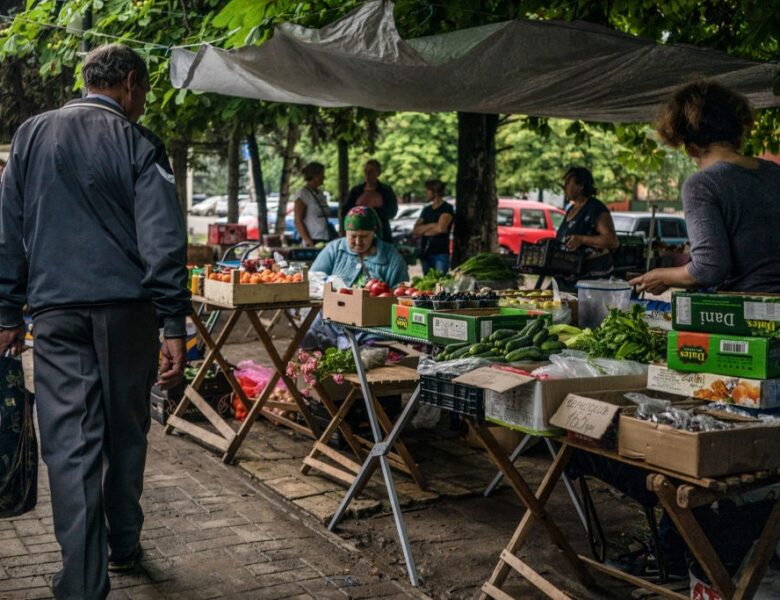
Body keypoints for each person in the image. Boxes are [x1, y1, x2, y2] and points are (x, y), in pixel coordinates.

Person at [0, 44, 189, 599]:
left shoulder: (30, 135)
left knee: (71, 445)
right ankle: (124, 544)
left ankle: (82, 584)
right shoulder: (140, 143)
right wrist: (173, 321)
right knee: (126, 434)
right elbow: (162, 241)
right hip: (128, 315)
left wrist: (8, 310)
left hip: (55, 315)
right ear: (130, 83)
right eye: (145, 92)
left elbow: (8, 230)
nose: (144, 103)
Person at [630, 80, 780, 295]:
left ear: (690, 147)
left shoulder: (702, 185)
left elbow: (708, 269)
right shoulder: (774, 172)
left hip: (752, 315)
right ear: (738, 135)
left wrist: (662, 274)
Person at [305, 207, 408, 349]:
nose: (358, 242)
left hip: (372, 325)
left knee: (374, 347)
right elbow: (313, 280)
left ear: (374, 233)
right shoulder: (334, 249)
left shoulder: (391, 256)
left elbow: (401, 294)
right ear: (345, 233)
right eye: (353, 236)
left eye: (364, 236)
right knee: (310, 336)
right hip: (333, 321)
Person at [343, 158, 398, 243]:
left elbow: (392, 211)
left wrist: (373, 212)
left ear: (378, 173)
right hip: (357, 235)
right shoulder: (356, 191)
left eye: (371, 171)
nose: (368, 174)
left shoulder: (386, 191)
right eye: (366, 171)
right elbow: (345, 211)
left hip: (381, 236)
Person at [412, 179, 454, 274]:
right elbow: (415, 230)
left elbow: (441, 228)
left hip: (440, 253)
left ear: (435, 192)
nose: (425, 193)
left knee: (440, 284)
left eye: (427, 191)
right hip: (425, 253)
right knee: (427, 284)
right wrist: (433, 225)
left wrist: (425, 229)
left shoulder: (447, 208)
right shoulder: (426, 210)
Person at [293, 161, 335, 246]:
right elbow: (298, 220)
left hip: (325, 237)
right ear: (315, 176)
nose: (324, 177)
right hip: (312, 239)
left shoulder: (320, 193)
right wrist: (308, 240)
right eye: (322, 174)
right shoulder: (303, 194)